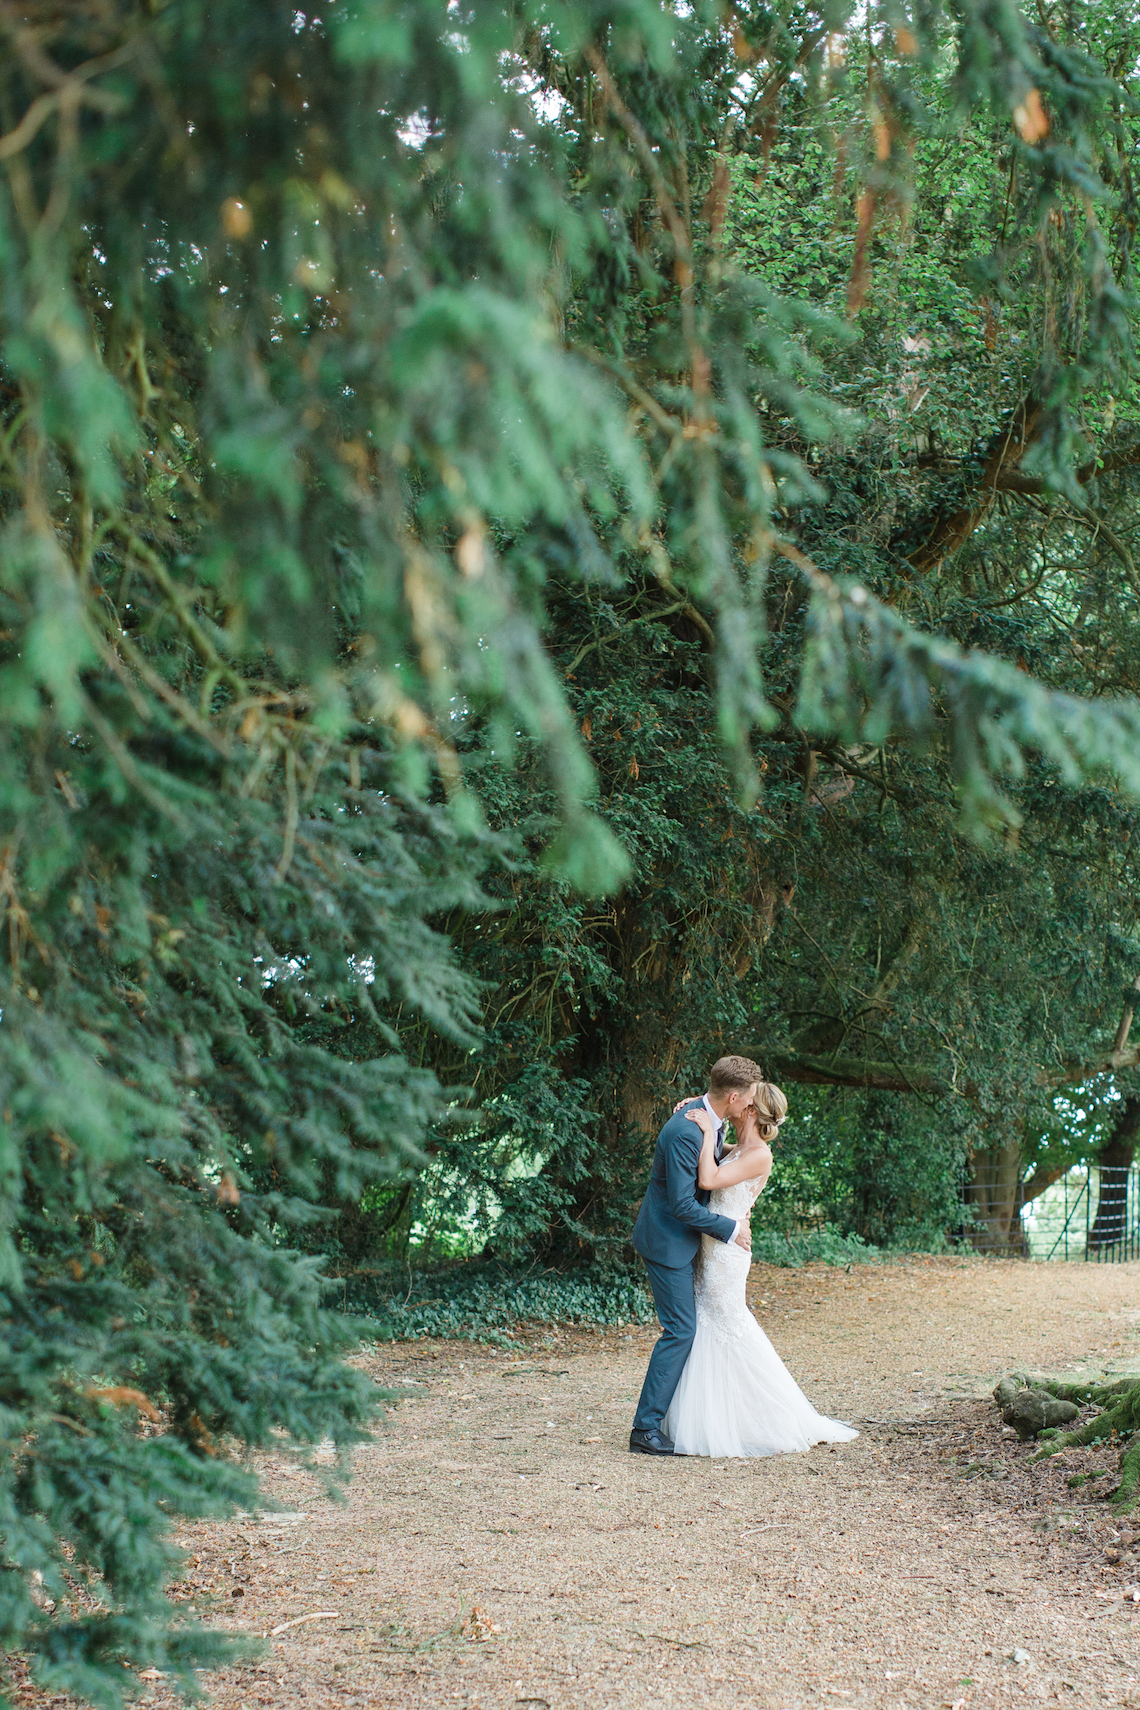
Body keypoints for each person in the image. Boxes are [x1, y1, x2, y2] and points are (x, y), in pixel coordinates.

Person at [663, 1080, 858, 1458]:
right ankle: (713, 1415)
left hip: (727, 1251)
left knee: (728, 1325)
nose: (740, 1103)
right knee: (705, 1326)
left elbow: (708, 1179)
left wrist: (705, 1130)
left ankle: (770, 1416)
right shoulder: (744, 1148)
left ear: (752, 1110)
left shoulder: (761, 1155)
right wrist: (705, 1117)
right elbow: (722, 1155)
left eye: (747, 1101)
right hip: (712, 1243)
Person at [629, 1055, 763, 1455]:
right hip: (668, 1242)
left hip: (685, 1241)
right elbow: (684, 1205)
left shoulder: (705, 1117)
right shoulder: (688, 1130)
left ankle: (674, 1418)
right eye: (750, 1099)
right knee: (681, 1330)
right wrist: (731, 1228)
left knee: (688, 1328)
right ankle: (645, 1430)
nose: (751, 1107)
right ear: (735, 1096)